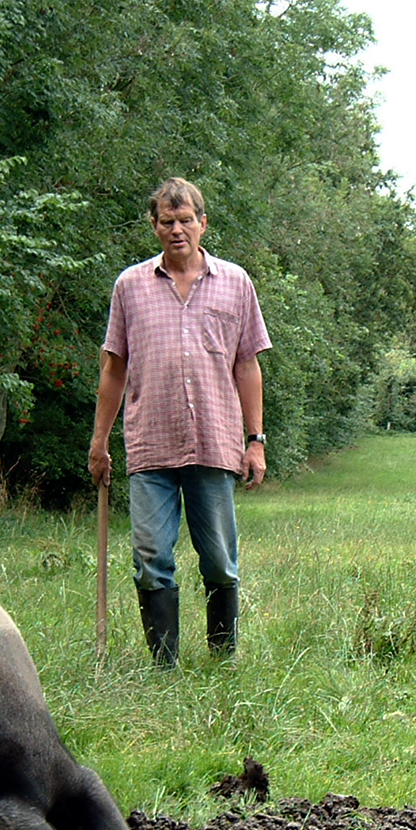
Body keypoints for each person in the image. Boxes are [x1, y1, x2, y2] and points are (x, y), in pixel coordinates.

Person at [90, 177, 271, 665]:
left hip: (214, 442)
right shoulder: (130, 286)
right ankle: (164, 666)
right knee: (151, 561)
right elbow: (114, 368)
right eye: (167, 221)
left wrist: (255, 441)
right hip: (150, 444)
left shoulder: (235, 282)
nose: (177, 229)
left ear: (202, 222)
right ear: (153, 226)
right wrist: (99, 441)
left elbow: (247, 364)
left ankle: (221, 659)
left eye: (186, 219)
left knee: (219, 564)